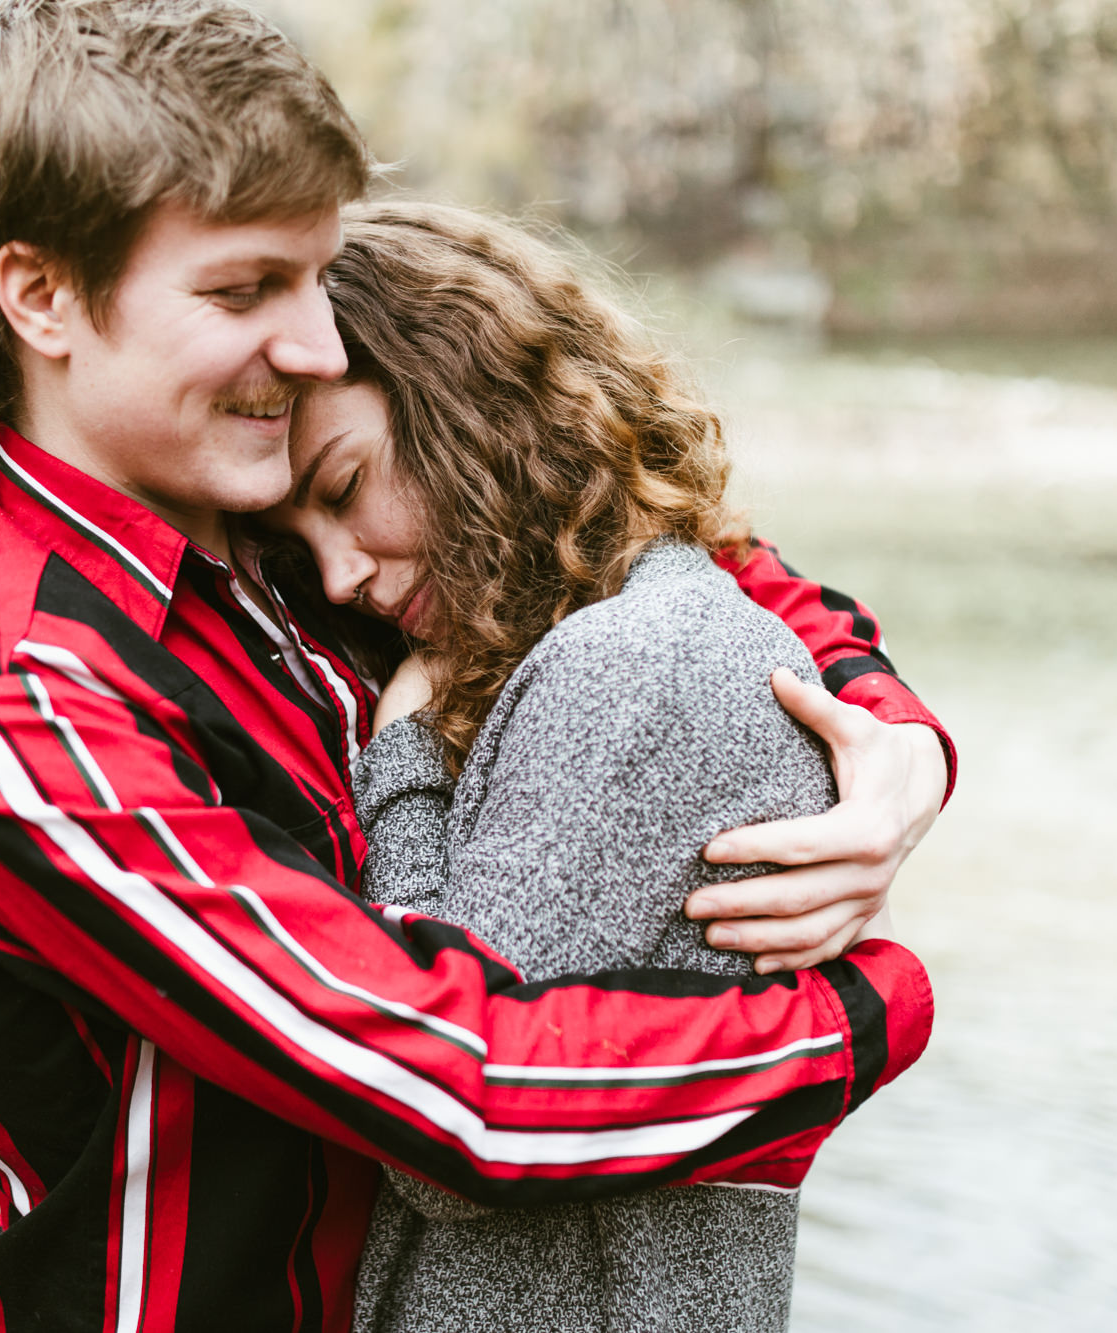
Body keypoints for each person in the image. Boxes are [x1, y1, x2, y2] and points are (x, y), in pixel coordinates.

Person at [0, 2, 950, 1327]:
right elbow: (463, 1094)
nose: (316, 344)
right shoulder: (18, 705)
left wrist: (889, 739)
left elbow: (673, 549)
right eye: (242, 290)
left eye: (315, 278)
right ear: (41, 295)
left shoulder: (262, 526)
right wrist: (865, 1017)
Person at [260, 202, 891, 1332]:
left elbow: (437, 1138)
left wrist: (401, 760)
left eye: (344, 489)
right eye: (303, 551)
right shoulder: (643, 627)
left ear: (463, 399)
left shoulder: (628, 665)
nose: (342, 574)